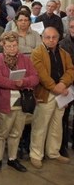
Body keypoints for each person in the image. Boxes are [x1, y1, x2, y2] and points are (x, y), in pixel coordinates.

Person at [0, 31, 39, 172]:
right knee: (1, 132)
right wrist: (16, 84)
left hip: (21, 101)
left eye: (14, 45)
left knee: (17, 132)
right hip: (4, 100)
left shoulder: (24, 59)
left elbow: (35, 78)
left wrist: (23, 82)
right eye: (9, 46)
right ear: (3, 46)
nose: (12, 48)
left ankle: (12, 158)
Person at [29, 27, 74, 169]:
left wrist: (62, 84)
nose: (51, 40)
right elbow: (41, 74)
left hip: (62, 94)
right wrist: (55, 88)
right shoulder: (37, 53)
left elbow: (70, 70)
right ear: (43, 38)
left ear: (58, 38)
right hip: (46, 93)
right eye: (48, 37)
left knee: (57, 125)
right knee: (40, 126)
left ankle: (53, 152)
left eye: (54, 37)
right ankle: (36, 155)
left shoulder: (64, 53)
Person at [59, 17, 74, 156]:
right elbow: (65, 66)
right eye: (72, 27)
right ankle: (62, 146)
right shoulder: (63, 43)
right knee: (64, 115)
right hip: (68, 83)